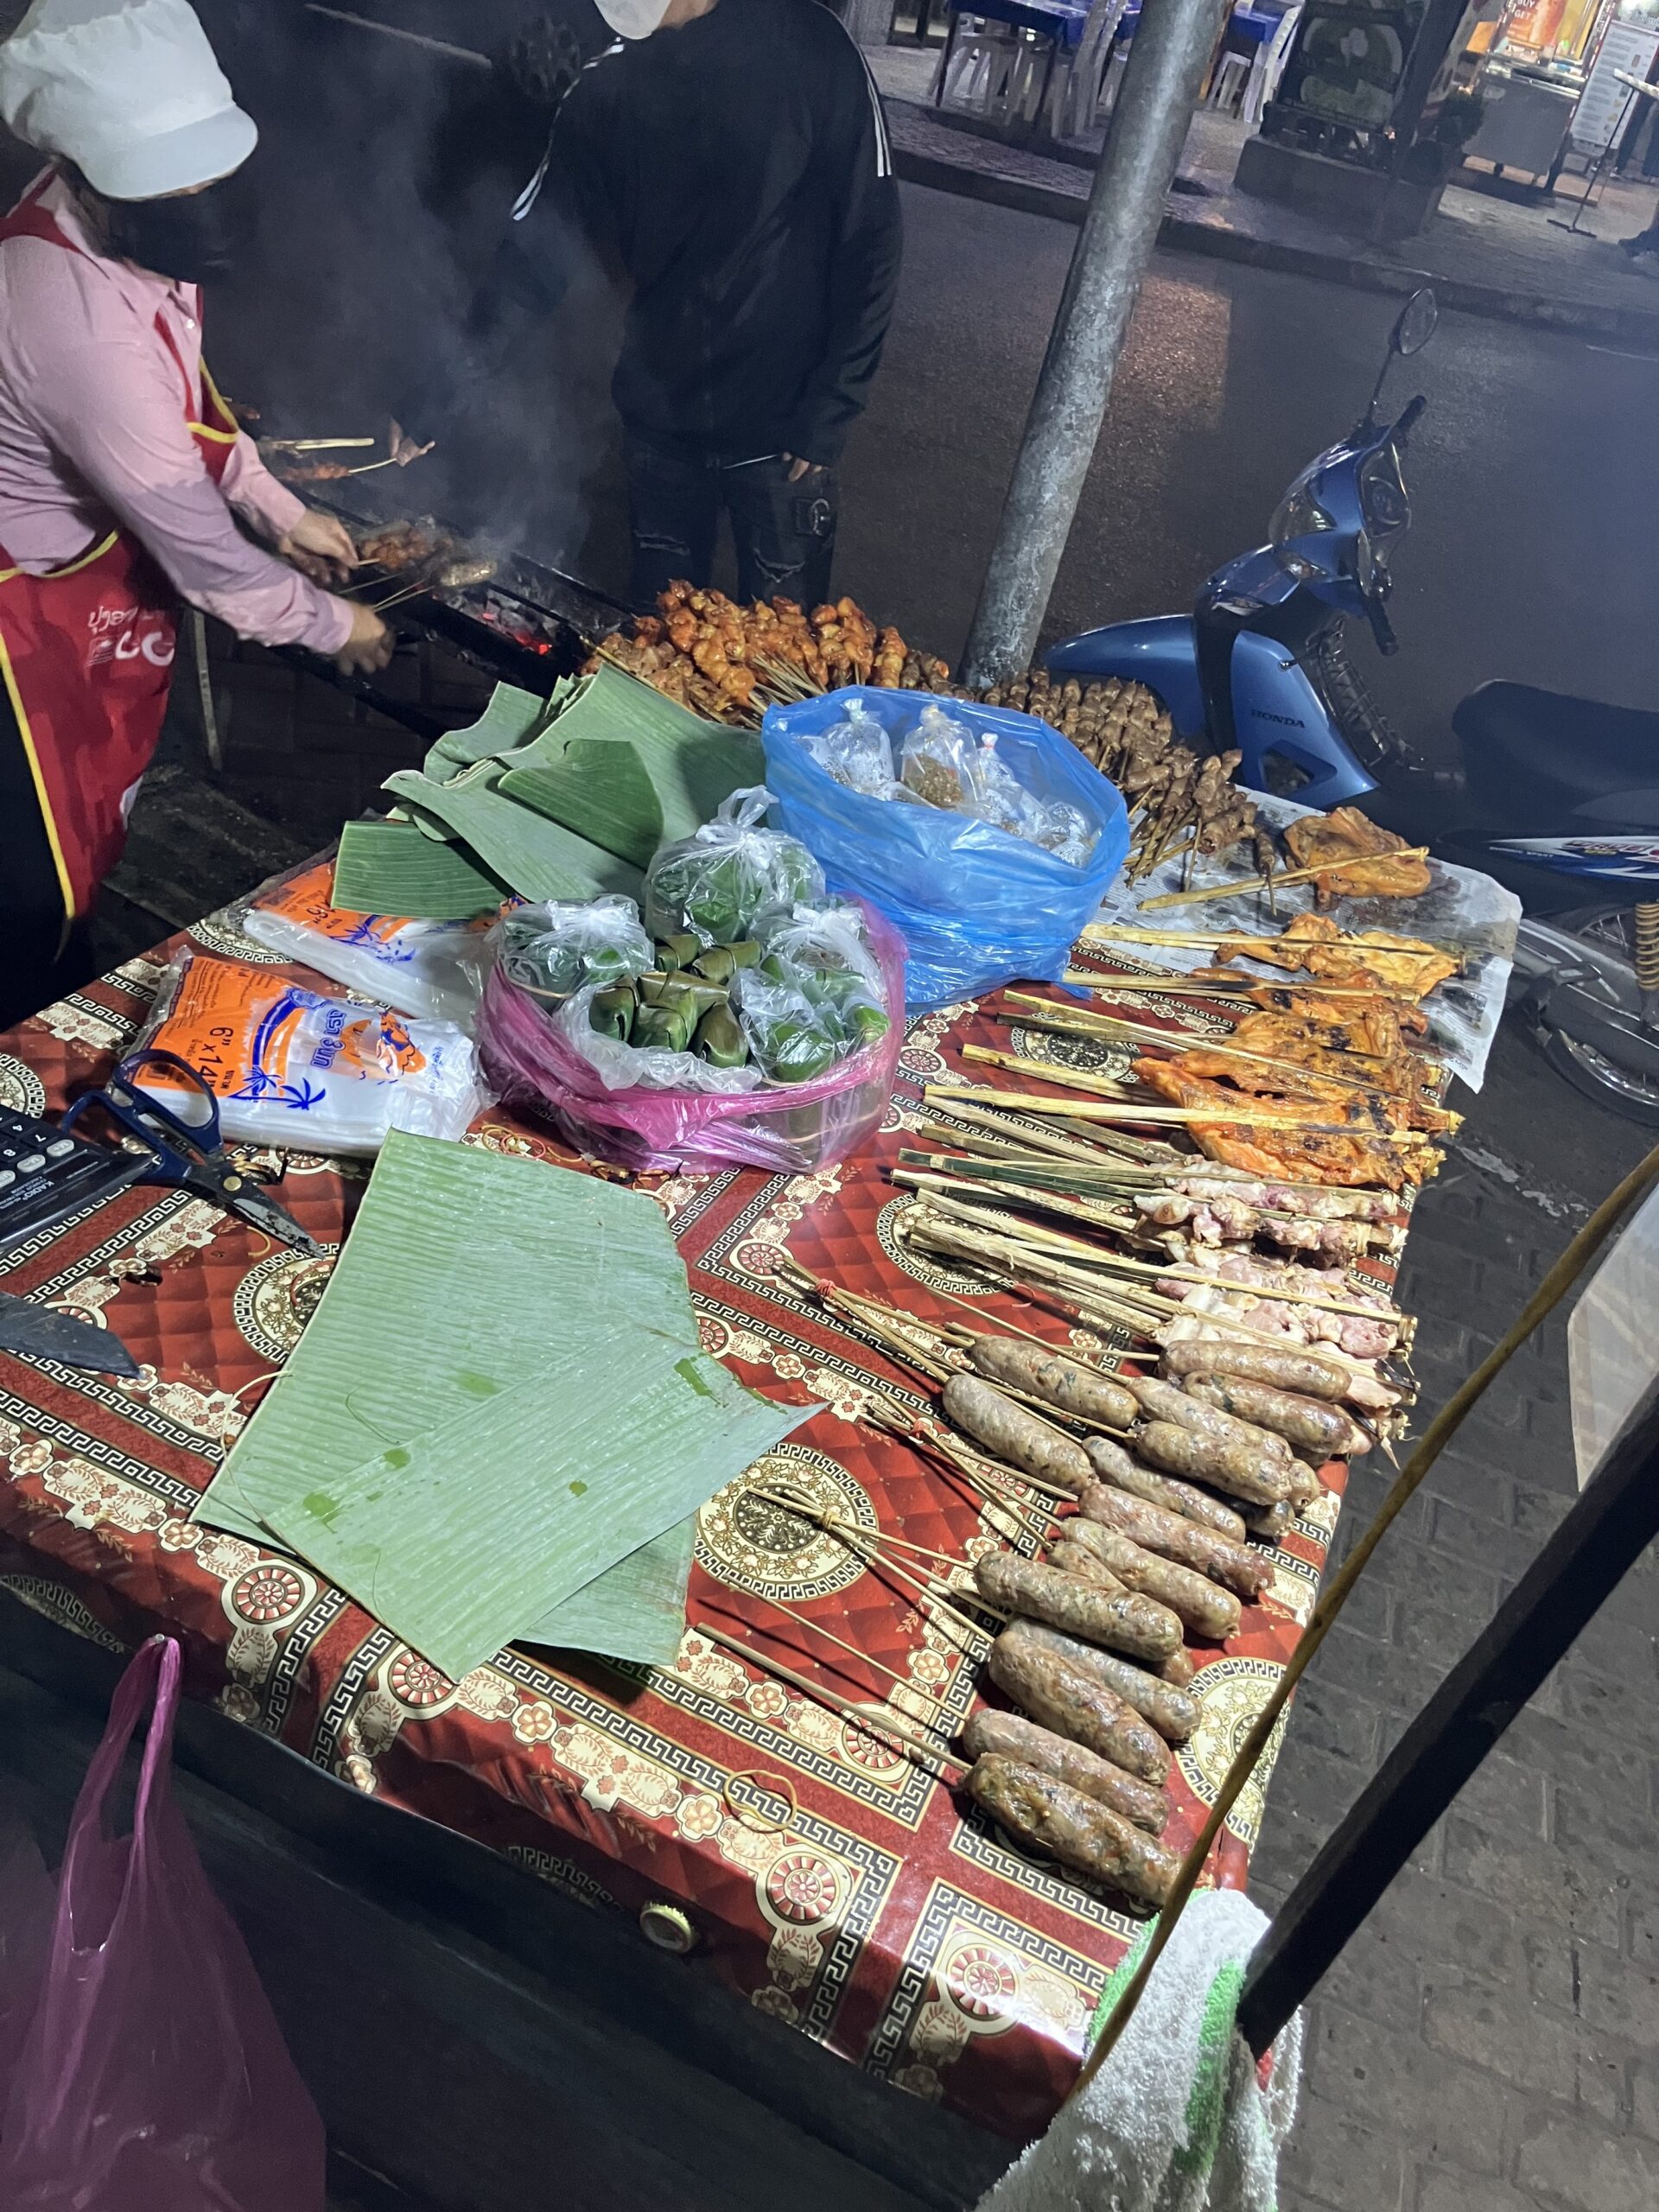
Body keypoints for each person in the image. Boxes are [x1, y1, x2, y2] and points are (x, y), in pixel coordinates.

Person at [0, 0, 393, 1025]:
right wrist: (334, 624)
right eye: (170, 188)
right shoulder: (72, 322)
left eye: (209, 179)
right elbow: (202, 555)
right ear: (86, 176)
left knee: (74, 855)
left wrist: (274, 500)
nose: (199, 205)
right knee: (25, 882)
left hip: (80, 587)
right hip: (19, 627)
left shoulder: (120, 235)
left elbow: (182, 388)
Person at [476, 0, 902, 612]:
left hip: (781, 424)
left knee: (783, 656)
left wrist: (832, 406)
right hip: (662, 418)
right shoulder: (609, 73)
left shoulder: (807, 40)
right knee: (660, 636)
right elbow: (538, 246)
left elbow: (873, 234)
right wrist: (442, 388)